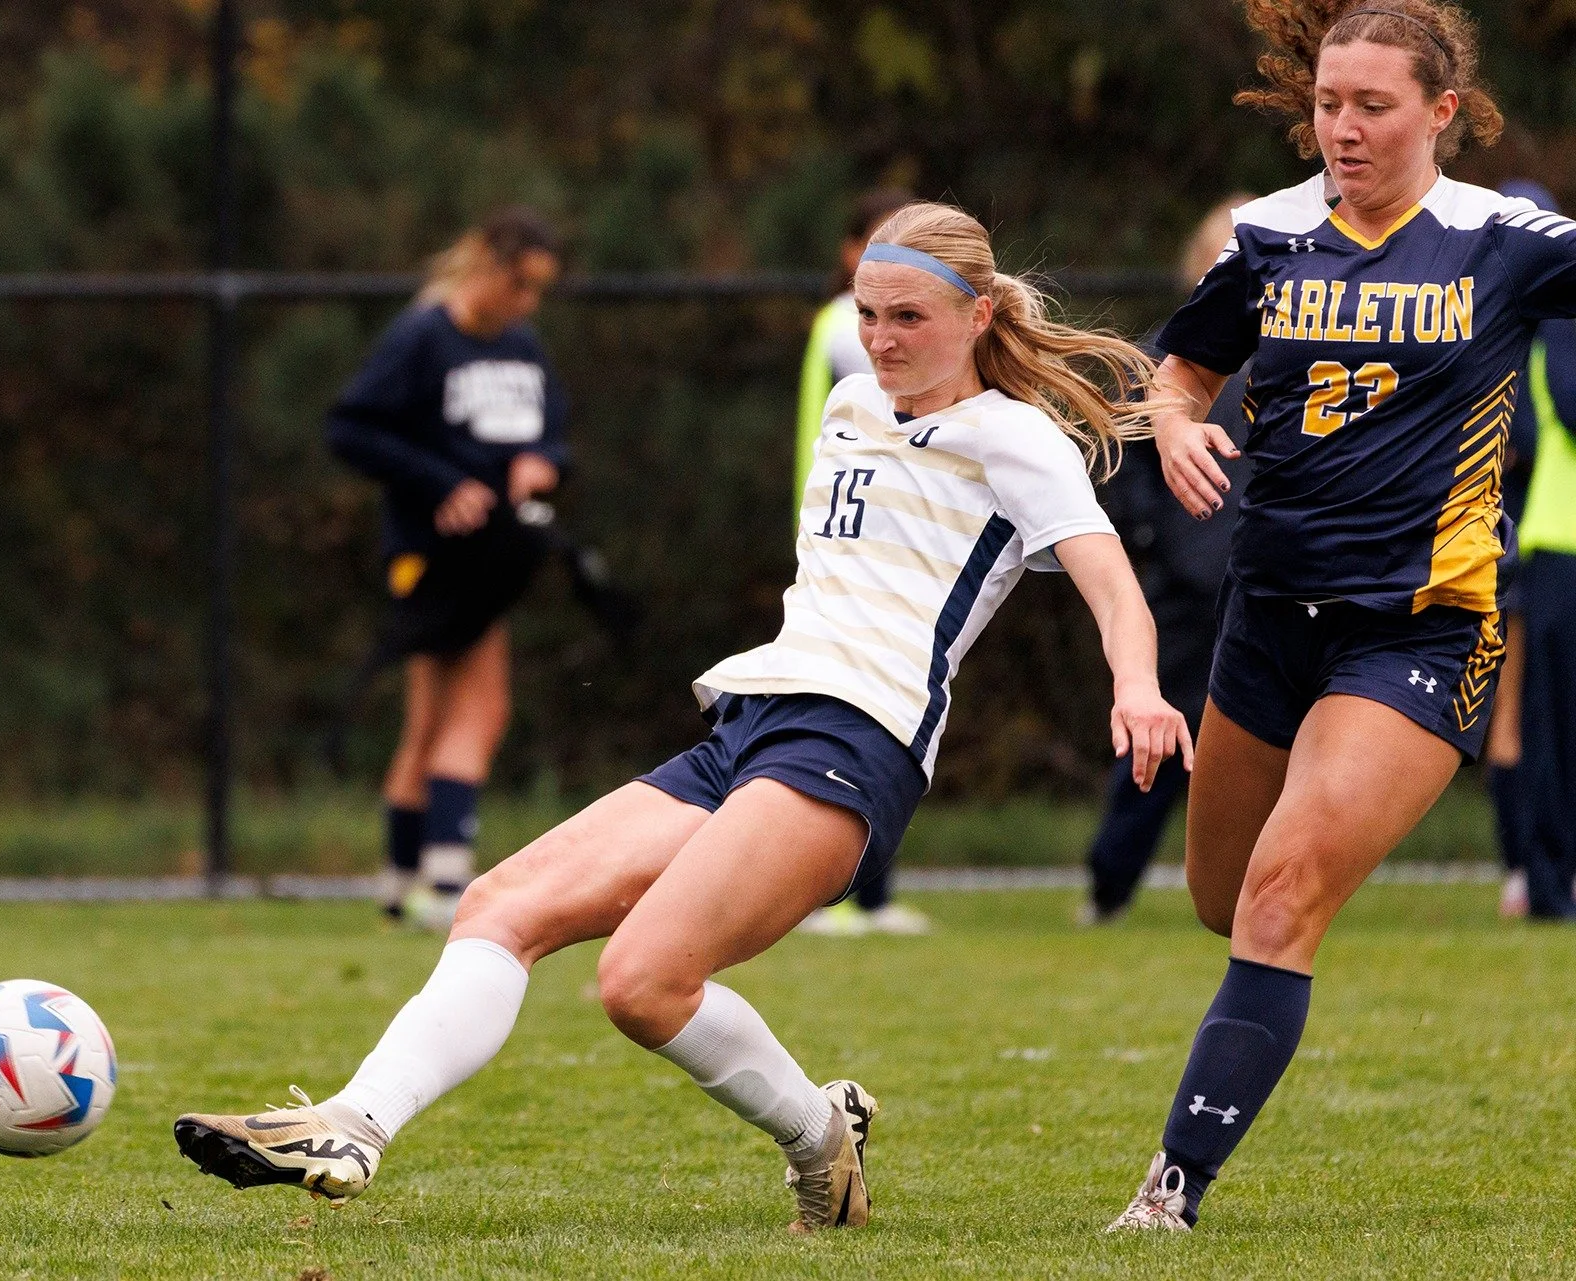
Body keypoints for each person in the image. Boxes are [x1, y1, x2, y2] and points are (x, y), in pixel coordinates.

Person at [176, 201, 1192, 1233]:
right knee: (499, 906)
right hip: (749, 723)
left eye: (909, 318)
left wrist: (1140, 687)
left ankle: (817, 1139)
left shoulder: (1013, 437)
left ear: (978, 317)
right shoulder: (851, 401)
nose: (882, 339)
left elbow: (1111, 583)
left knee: (642, 981)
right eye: (870, 312)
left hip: (855, 743)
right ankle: (353, 1122)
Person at [1107, 0, 1576, 1232]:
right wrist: (1172, 421)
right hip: (1267, 616)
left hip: (1421, 628)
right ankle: (1297, 904)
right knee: (1225, 898)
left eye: (1373, 106)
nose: (1344, 128)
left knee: (1279, 897)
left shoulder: (1505, 241)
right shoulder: (1270, 235)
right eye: (1327, 104)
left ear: (1445, 114)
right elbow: (1184, 365)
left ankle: (1169, 1195)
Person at [324, 208, 569, 929]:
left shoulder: (522, 345)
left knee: (431, 718)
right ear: (488, 266)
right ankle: (442, 879)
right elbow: (352, 427)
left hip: (494, 552)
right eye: (520, 285)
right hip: (434, 552)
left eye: (538, 292)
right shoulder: (423, 335)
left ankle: (401, 882)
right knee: (481, 709)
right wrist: (439, 483)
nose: (527, 304)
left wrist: (541, 462)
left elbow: (550, 432)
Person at [1081, 197, 1256, 925]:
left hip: (1274, 585)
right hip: (1189, 589)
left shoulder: (1305, 355)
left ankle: (1258, 888)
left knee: (1267, 742)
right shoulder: (1163, 361)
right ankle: (1109, 882)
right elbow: (1123, 468)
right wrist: (1161, 543)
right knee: (1158, 738)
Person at [791, 186, 933, 937]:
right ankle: (832, 893)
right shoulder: (847, 328)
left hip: (899, 547)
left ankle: (868, 894)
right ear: (852, 254)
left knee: (889, 719)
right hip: (854, 546)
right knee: (854, 720)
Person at [1486, 179, 1572, 919]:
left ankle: (1535, 865)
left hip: (1534, 532)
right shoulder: (1541, 322)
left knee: (1522, 713)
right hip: (1533, 541)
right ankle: (1532, 867)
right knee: (1520, 713)